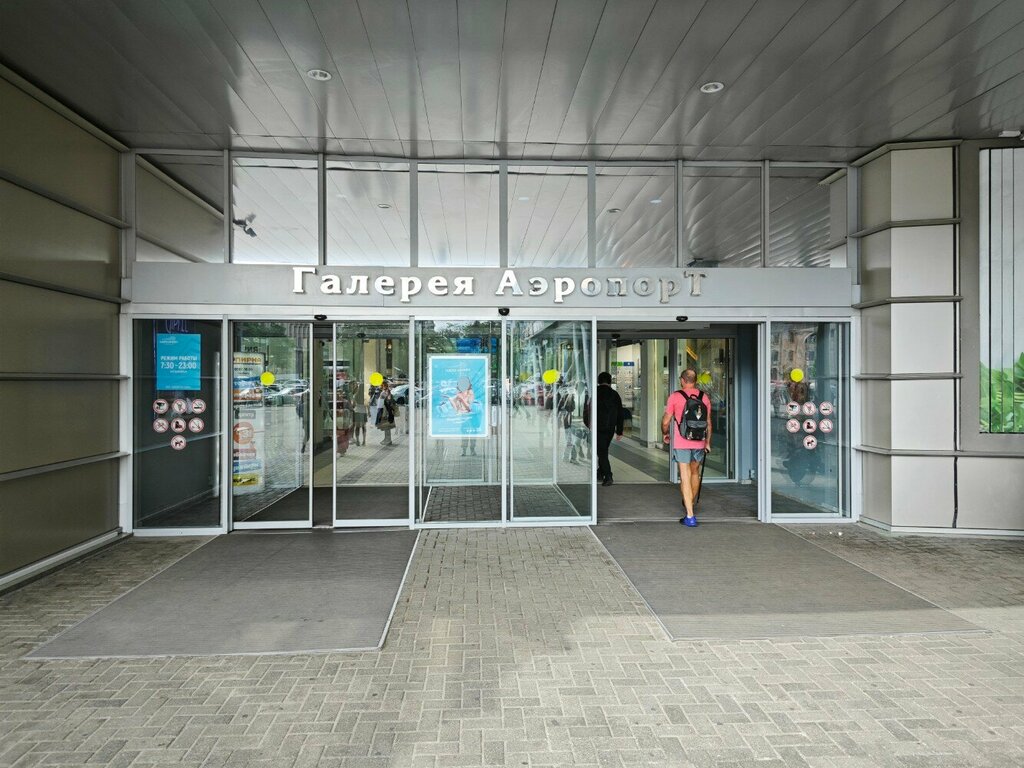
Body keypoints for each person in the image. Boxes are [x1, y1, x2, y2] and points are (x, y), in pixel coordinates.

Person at [662, 368, 711, 527]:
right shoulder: (704, 397)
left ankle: (690, 515)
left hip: (682, 442)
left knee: (685, 475)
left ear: (682, 380)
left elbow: (666, 421)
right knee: (695, 472)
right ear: (695, 381)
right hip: (699, 441)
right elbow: (708, 423)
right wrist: (707, 442)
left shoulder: (675, 396)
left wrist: (665, 433)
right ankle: (690, 501)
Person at [584, 372, 624, 486]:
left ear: (598, 381)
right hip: (610, 428)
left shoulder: (594, 393)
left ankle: (608, 475)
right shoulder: (615, 395)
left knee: (602, 452)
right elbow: (620, 414)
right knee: (603, 450)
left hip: (597, 427)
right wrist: (619, 431)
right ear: (610, 381)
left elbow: (586, 410)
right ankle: (600, 472)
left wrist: (588, 424)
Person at [374, 380, 397, 446]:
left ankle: (388, 439)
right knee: (386, 426)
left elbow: (387, 401)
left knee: (387, 426)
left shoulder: (386, 392)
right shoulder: (386, 391)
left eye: (381, 385)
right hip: (385, 410)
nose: (380, 386)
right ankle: (387, 439)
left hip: (385, 411)